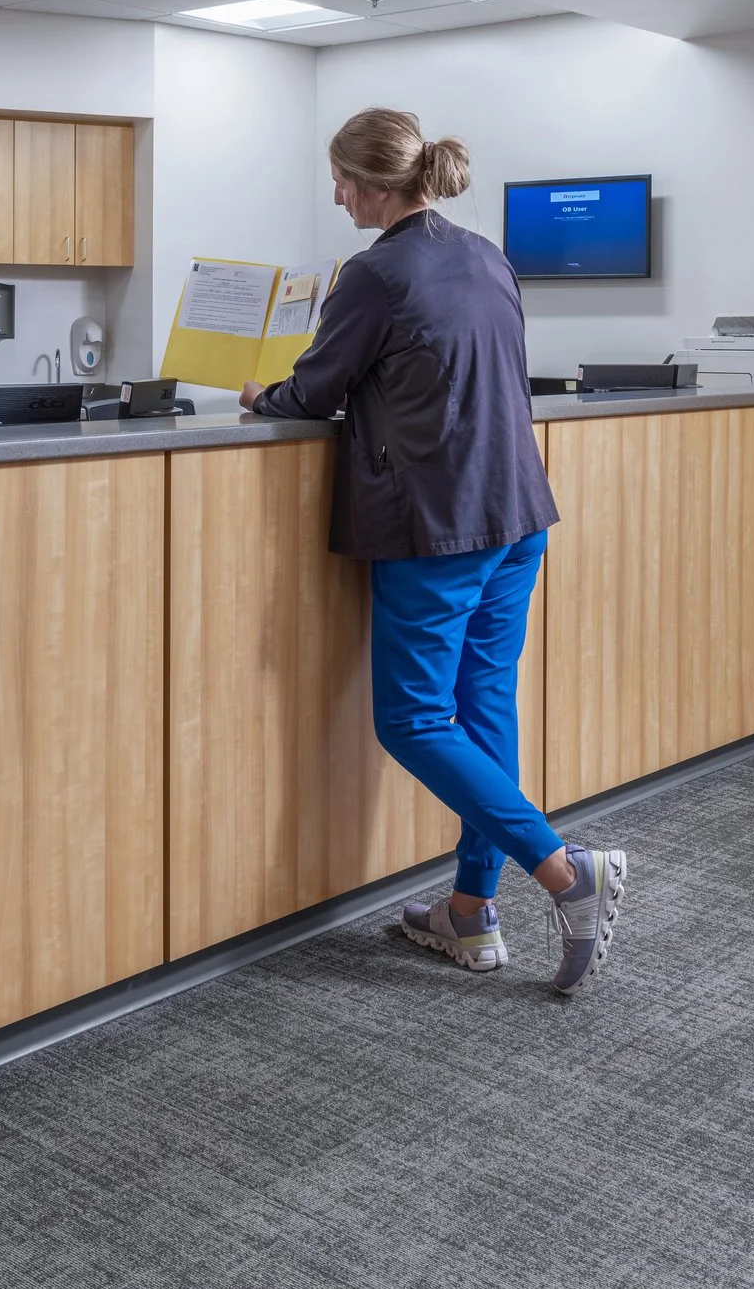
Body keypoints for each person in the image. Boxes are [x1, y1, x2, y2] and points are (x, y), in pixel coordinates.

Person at [242, 108, 628, 994]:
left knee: (413, 719)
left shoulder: (374, 273)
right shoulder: (486, 253)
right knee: (483, 710)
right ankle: (468, 912)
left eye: (341, 180)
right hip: (517, 511)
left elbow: (315, 389)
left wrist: (264, 397)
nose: (335, 194)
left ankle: (567, 873)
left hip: (439, 522)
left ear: (377, 184)